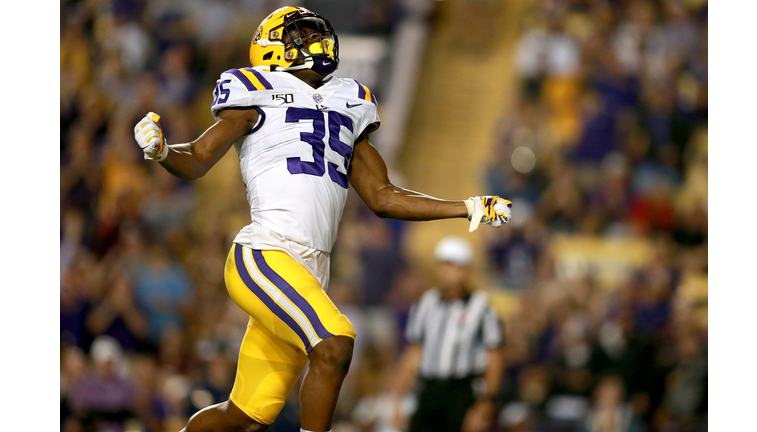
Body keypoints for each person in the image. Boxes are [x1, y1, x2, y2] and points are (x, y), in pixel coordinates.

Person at [132, 6, 513, 432]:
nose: (315, 42)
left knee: (245, 417)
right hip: (265, 253)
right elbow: (199, 158)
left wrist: (467, 207)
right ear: (271, 49)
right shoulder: (254, 88)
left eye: (314, 34)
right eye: (299, 36)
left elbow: (384, 196)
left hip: (311, 272)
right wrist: (164, 151)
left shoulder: (349, 100)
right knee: (334, 343)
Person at [391, 237, 505, 432]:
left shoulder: (481, 306)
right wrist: (398, 400)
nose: (449, 272)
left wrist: (485, 404)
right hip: (429, 390)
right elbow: (414, 352)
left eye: (455, 266)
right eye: (445, 265)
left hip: (461, 391)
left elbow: (494, 356)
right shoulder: (426, 303)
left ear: (466, 269)